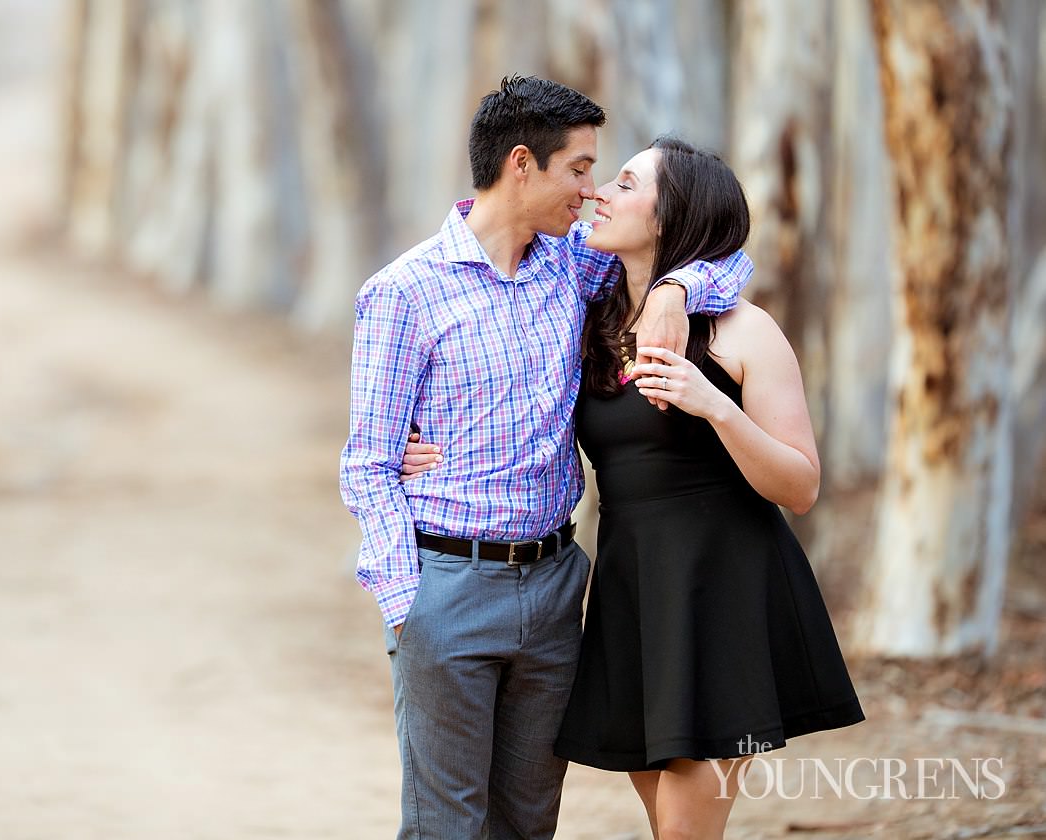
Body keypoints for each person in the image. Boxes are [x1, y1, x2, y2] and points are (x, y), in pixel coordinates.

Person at [339, 77, 753, 840]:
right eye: (580, 169)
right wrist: (410, 607)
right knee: (445, 827)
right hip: (448, 588)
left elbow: (725, 258)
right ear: (522, 165)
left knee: (529, 824)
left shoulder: (573, 267)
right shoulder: (403, 293)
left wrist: (676, 291)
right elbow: (367, 465)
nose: (591, 192)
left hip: (557, 589)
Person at [561, 136, 863, 839]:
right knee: (668, 821)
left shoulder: (743, 331)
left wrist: (714, 405)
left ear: (670, 218)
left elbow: (801, 485)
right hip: (633, 587)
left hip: (723, 590)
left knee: (685, 828)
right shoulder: (595, 321)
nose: (603, 191)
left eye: (628, 183)